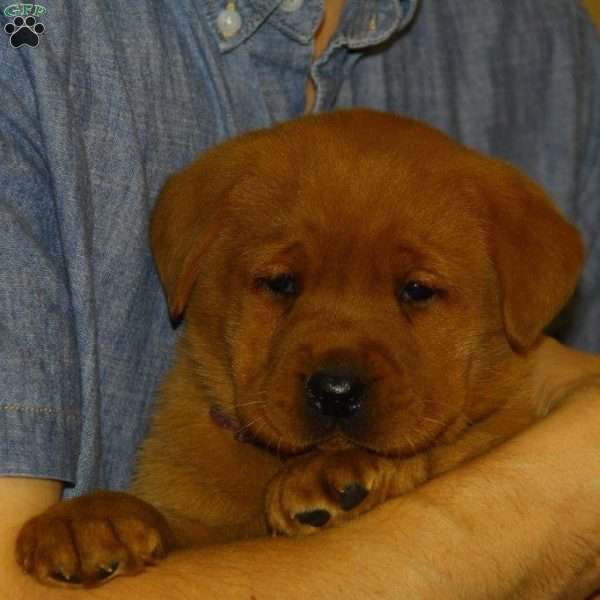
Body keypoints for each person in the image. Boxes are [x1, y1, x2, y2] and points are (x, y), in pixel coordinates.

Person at [1, 0, 599, 597]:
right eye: (281, 284)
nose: (338, 380)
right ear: (195, 266)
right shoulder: (24, 27)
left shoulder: (545, 34)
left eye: (416, 292)